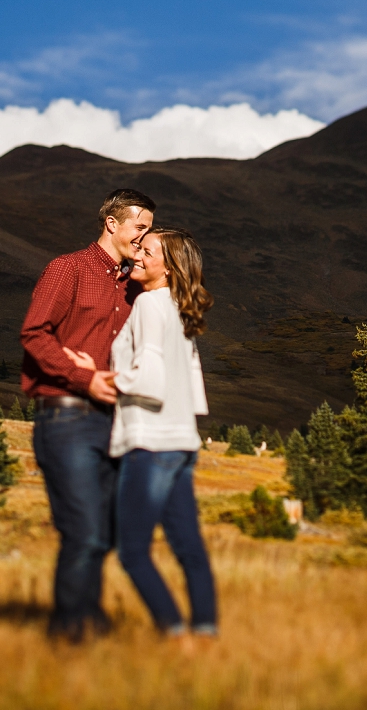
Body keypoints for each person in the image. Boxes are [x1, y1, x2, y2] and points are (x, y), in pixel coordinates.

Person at [19, 187, 155, 641]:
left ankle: (89, 626)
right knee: (84, 530)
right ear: (112, 223)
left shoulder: (134, 288)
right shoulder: (68, 269)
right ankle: (70, 635)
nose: (144, 237)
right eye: (140, 227)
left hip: (114, 422)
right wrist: (84, 379)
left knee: (107, 532)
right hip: (68, 418)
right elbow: (35, 335)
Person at [70, 227, 218, 638]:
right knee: (189, 549)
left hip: (150, 446)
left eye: (147, 251)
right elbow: (192, 389)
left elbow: (149, 377)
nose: (137, 254)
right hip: (181, 443)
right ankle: (205, 634)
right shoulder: (178, 309)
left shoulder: (151, 305)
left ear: (168, 268)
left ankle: (173, 633)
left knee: (133, 552)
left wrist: (94, 375)